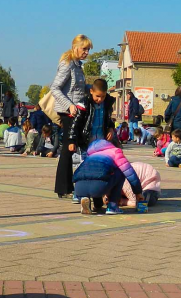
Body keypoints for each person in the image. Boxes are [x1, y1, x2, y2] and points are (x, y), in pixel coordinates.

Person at [51, 34, 92, 200]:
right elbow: (55, 88)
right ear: (75, 47)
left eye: (88, 49)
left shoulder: (78, 66)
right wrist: (69, 105)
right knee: (68, 149)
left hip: (77, 112)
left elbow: (78, 88)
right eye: (84, 49)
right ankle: (63, 187)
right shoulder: (67, 64)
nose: (87, 52)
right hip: (68, 112)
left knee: (71, 148)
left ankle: (68, 186)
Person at [74, 139, 143, 215]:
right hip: (99, 187)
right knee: (120, 172)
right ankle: (113, 206)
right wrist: (138, 192)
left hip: (79, 188)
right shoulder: (115, 151)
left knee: (93, 174)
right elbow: (130, 173)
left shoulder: (89, 156)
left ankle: (86, 200)